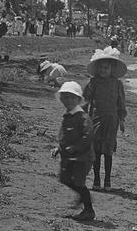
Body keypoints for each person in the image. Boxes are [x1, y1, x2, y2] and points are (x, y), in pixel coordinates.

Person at [82, 47, 127, 191]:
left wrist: (122, 120)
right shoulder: (93, 82)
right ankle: (96, 180)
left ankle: (107, 180)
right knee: (96, 150)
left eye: (106, 68)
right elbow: (85, 100)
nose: (103, 70)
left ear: (112, 69)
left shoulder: (117, 84)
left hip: (112, 119)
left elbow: (121, 103)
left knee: (108, 150)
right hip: (95, 118)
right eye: (101, 67)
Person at [51, 81, 96, 221]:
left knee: (79, 182)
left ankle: (89, 210)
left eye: (71, 97)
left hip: (82, 157)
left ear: (78, 100)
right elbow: (64, 135)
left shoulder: (82, 117)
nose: (68, 100)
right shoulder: (68, 115)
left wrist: (76, 147)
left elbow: (88, 135)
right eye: (65, 97)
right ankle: (83, 196)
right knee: (64, 178)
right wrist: (59, 147)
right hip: (69, 156)